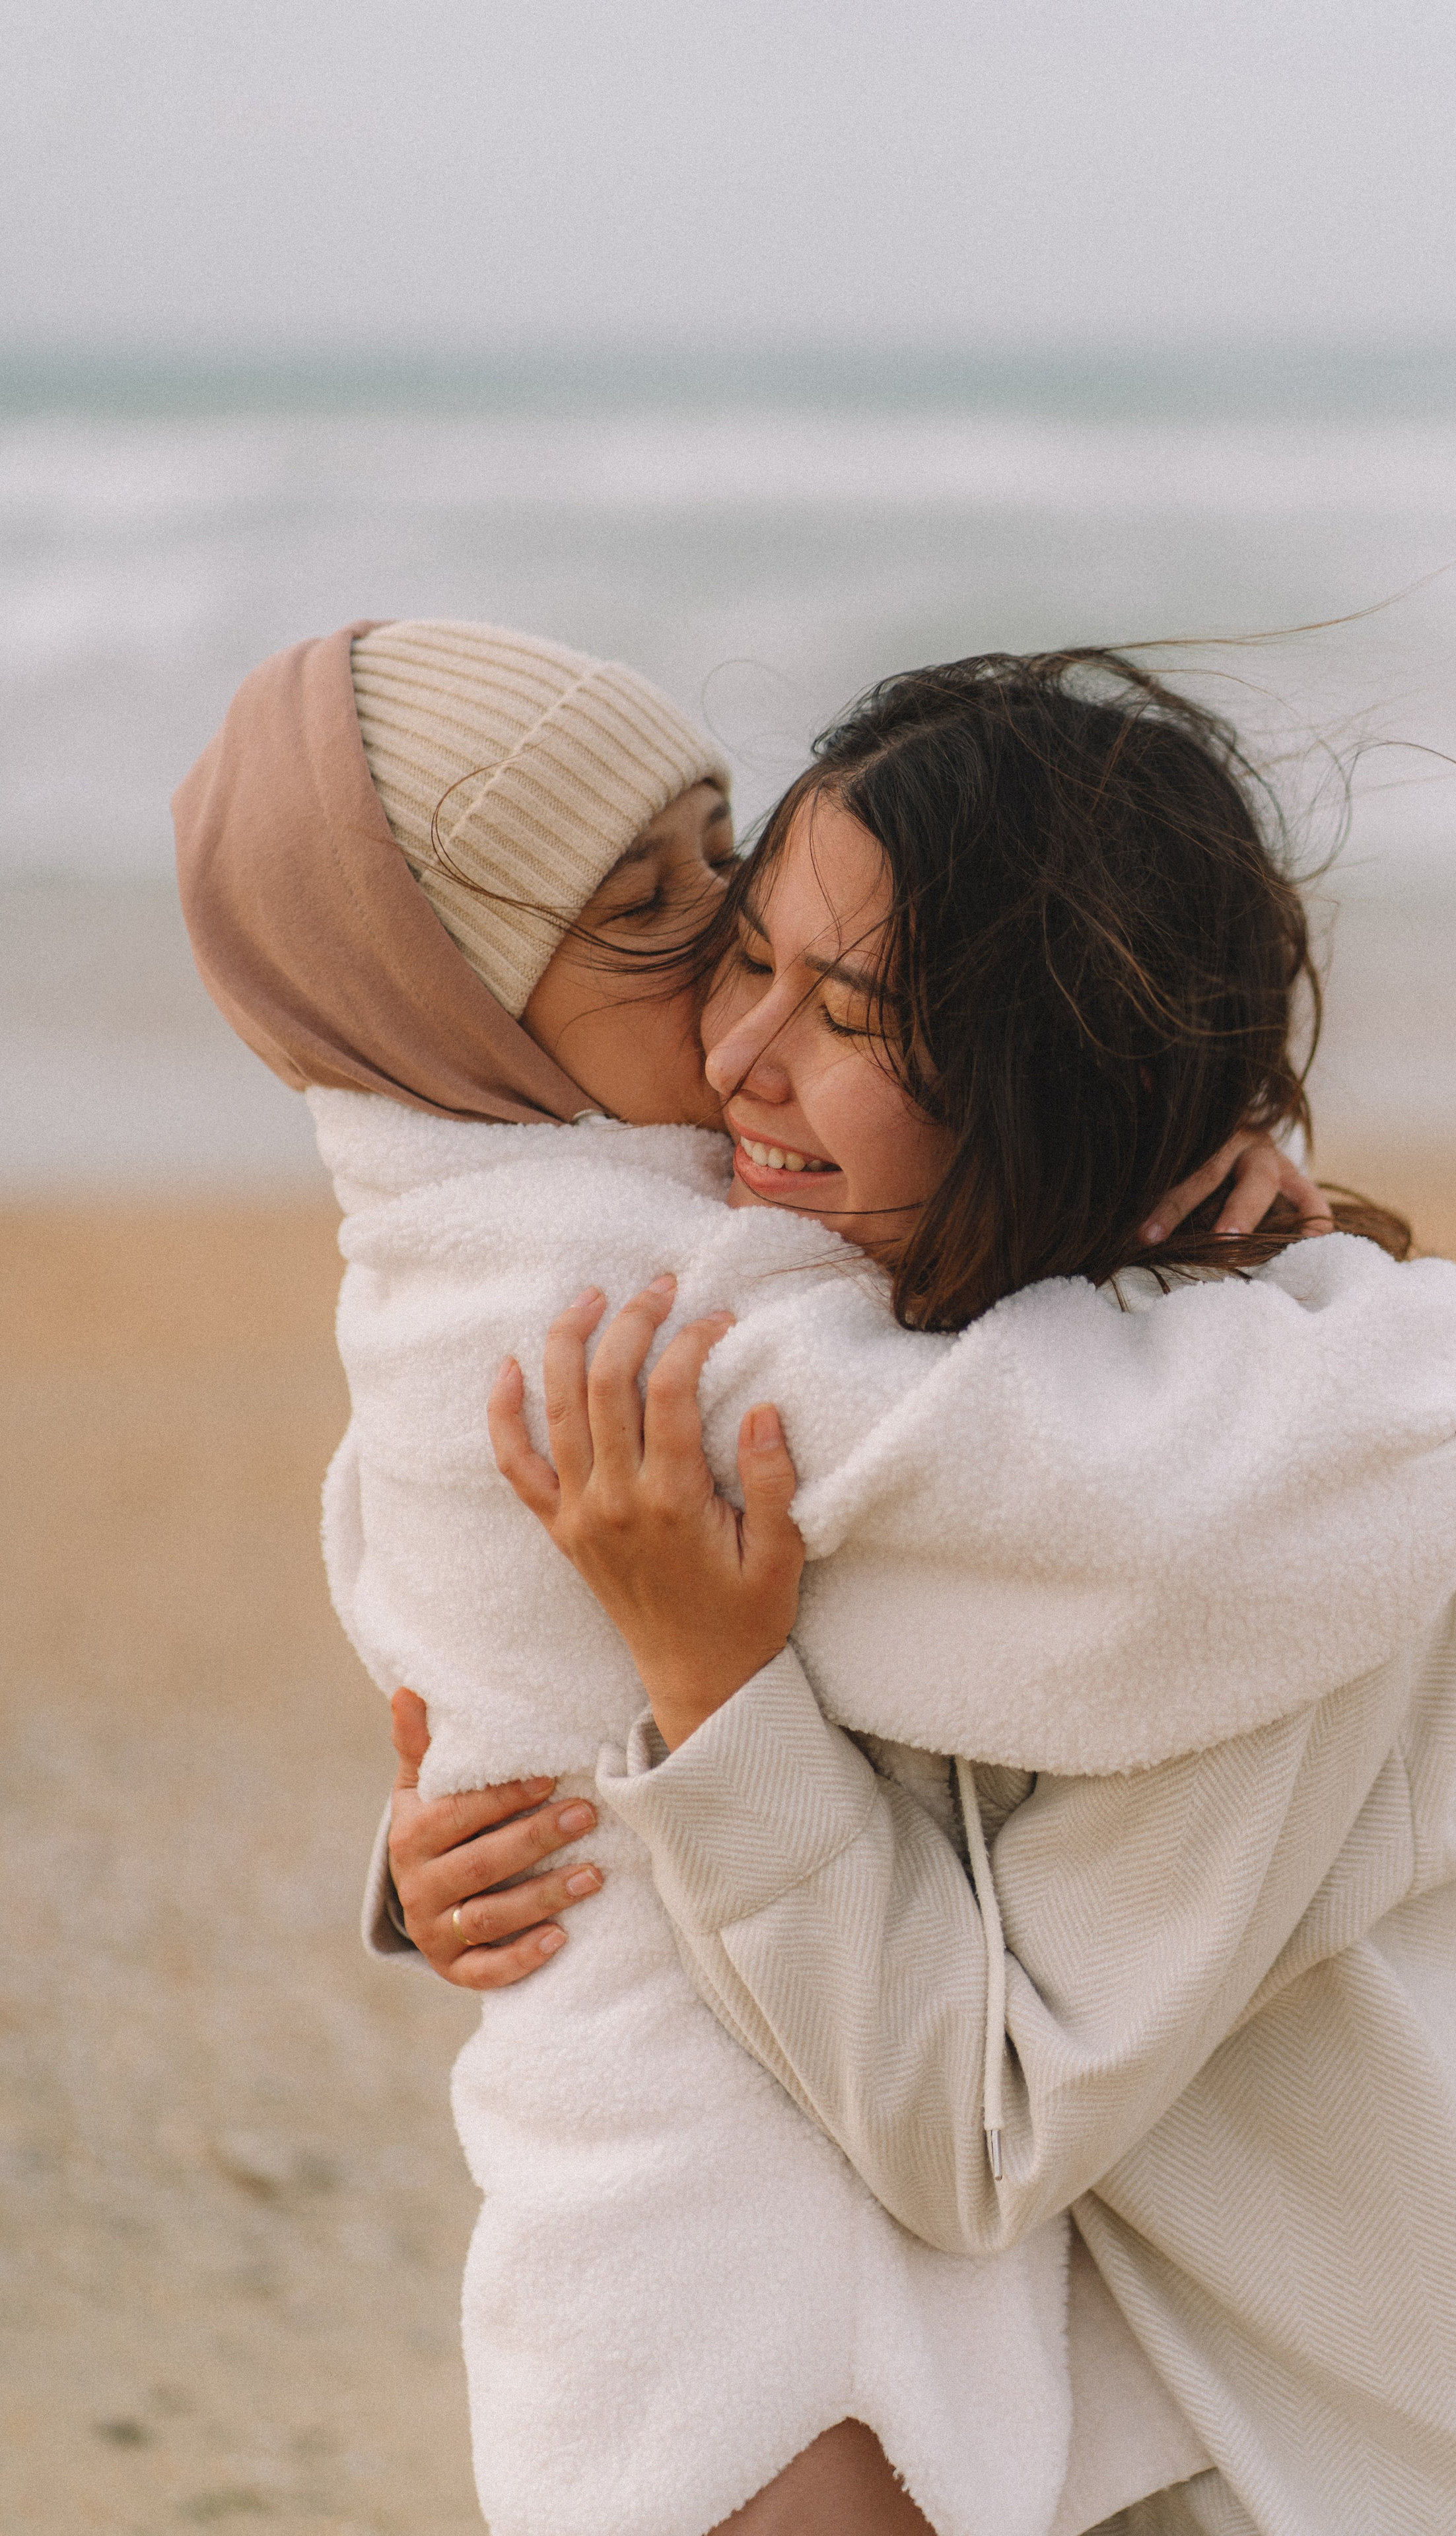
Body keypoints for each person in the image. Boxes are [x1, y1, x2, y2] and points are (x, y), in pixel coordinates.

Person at [414, 649, 1456, 2534]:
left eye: (849, 1011)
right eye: (744, 955)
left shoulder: (1237, 1511)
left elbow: (974, 2131)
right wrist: (492, 1833)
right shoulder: (1001, 1390)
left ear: (1052, 1081)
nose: (738, 1060)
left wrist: (710, 1688)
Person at [178, 619, 1389, 2536]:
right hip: (731, 2224)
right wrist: (1352, 1327)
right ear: (456, 1004)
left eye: (721, 859)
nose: (723, 963)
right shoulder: (598, 1284)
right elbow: (1054, 1479)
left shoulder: (482, 1213)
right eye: (640, 916)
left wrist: (449, 1818)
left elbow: (418, 1596)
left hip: (747, 2137)